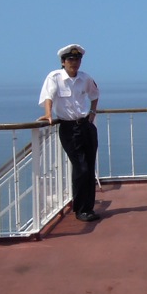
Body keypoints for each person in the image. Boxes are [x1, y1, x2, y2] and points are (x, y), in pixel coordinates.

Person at [38, 44, 101, 222]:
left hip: (86, 126)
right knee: (81, 168)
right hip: (69, 128)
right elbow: (48, 96)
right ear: (63, 62)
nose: (74, 62)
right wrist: (48, 114)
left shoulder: (85, 78)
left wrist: (92, 112)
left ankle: (88, 208)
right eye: (71, 59)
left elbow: (95, 94)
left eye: (77, 59)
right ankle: (80, 209)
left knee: (89, 168)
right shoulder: (55, 77)